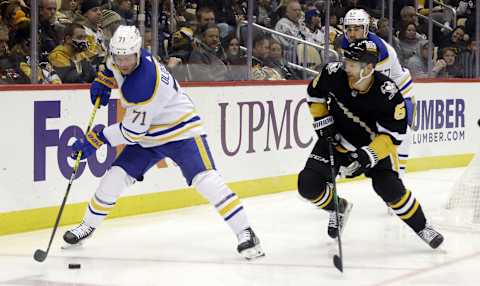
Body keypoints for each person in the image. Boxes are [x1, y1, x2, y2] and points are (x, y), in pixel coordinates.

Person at [63, 25, 265, 260]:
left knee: (207, 181)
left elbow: (130, 133)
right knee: (114, 177)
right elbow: (111, 65)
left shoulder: (144, 84)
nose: (123, 62)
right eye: (119, 56)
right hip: (148, 134)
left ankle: (246, 232)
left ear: (138, 53)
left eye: (127, 57)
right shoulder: (121, 56)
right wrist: (105, 77)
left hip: (180, 131)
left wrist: (97, 139)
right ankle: (87, 226)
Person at [297, 39, 444, 249]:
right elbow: (314, 93)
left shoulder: (388, 92)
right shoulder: (333, 73)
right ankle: (338, 208)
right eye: (346, 61)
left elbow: (392, 136)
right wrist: (322, 119)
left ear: (368, 68)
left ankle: (422, 226)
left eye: (353, 64)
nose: (347, 67)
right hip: (337, 138)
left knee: (389, 190)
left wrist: (367, 155)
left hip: (375, 146)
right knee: (307, 185)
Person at [341, 8, 414, 175]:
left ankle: (397, 176)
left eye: (357, 28)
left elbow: (371, 84)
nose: (352, 33)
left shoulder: (379, 51)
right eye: (349, 28)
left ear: (366, 29)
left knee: (403, 133)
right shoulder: (346, 43)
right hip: (380, 86)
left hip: (400, 89)